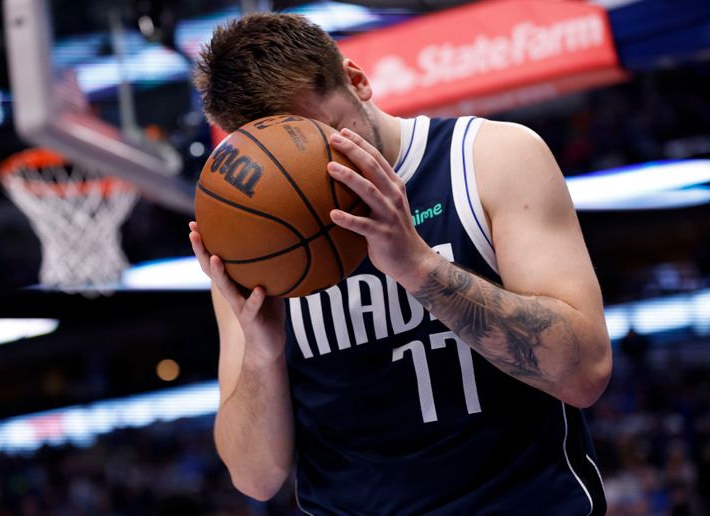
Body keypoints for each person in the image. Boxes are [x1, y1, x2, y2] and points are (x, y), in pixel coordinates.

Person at [189, 12, 612, 515]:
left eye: (326, 139)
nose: (321, 172)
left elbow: (584, 374)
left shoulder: (489, 158)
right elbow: (255, 478)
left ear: (357, 81)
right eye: (285, 161)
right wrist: (262, 352)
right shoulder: (250, 241)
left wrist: (419, 267)